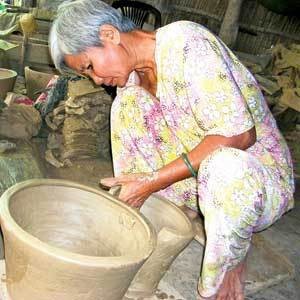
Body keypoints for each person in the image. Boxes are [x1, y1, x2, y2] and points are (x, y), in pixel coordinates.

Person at [49, 1, 294, 299]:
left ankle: (232, 255)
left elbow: (240, 135)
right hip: (201, 181)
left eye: (89, 66)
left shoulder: (187, 43)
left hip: (253, 179)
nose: (97, 80)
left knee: (224, 169)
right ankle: (181, 212)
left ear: (110, 34)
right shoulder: (132, 86)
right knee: (126, 106)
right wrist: (137, 190)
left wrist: (154, 180)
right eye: (87, 76)